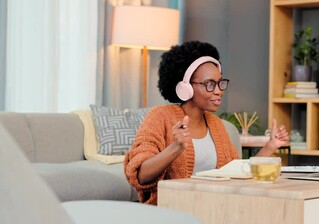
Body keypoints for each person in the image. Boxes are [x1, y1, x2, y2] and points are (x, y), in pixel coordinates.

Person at [124, 41, 289, 205]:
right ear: (185, 87)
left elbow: (238, 172)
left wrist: (271, 146)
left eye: (220, 83)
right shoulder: (159, 117)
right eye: (210, 84)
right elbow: (140, 176)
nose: (219, 91)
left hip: (214, 210)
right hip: (172, 210)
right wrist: (176, 147)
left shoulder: (216, 125)